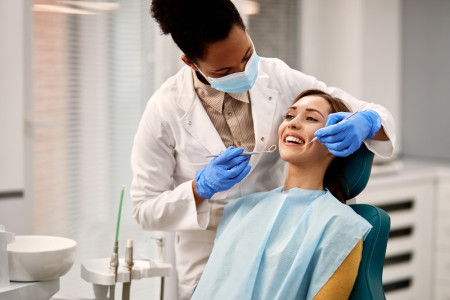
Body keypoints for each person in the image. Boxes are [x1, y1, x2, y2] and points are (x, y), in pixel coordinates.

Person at [131, 0, 395, 298]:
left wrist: (367, 121)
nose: (244, 72)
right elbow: (144, 209)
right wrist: (199, 189)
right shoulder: (164, 108)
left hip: (283, 240)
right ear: (190, 63)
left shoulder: (278, 77)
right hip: (209, 254)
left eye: (247, 55)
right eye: (225, 70)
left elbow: (368, 111)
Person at [191, 89, 372, 300]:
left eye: (311, 118)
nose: (292, 123)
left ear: (337, 140)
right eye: (289, 115)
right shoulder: (240, 209)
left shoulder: (342, 225)